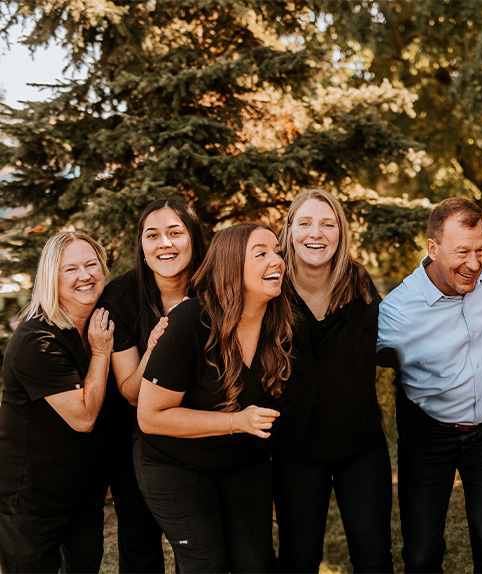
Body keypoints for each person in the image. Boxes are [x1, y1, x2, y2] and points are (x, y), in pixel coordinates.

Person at [135, 222, 293, 572]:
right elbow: (150, 415)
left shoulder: (280, 322)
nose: (277, 261)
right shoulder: (190, 322)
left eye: (278, 252)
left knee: (256, 564)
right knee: (207, 564)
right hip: (173, 462)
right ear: (232, 265)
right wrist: (236, 421)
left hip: (240, 460)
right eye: (262, 253)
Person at [377, 197, 482, 573]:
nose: (474, 263)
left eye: (481, 249)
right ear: (432, 248)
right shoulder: (397, 311)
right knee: (422, 550)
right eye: (462, 252)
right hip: (427, 434)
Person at [273, 189, 392, 572]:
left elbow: (387, 346)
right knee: (299, 559)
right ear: (289, 230)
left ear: (340, 233)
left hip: (360, 444)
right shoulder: (272, 290)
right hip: (295, 449)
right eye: (305, 223)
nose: (316, 234)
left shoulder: (358, 284)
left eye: (328, 224)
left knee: (374, 558)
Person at [100, 197, 206, 572]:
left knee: (199, 543)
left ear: (193, 238)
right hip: (135, 435)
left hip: (201, 429)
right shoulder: (121, 296)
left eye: (175, 232)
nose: (165, 243)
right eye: (153, 235)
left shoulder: (214, 287)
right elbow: (130, 392)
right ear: (142, 247)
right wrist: (157, 345)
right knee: (140, 540)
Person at [0, 231, 113, 572]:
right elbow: (83, 416)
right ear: (51, 277)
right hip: (32, 498)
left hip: (82, 491)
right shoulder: (38, 340)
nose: (85, 276)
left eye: (92, 265)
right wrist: (102, 352)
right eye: (71, 269)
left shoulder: (98, 323)